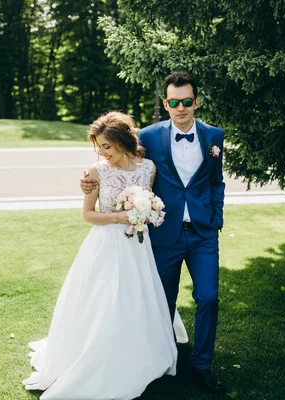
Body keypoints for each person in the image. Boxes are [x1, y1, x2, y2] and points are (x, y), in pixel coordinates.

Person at [81, 71, 226, 394]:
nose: (181, 108)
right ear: (166, 103)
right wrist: (88, 182)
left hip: (203, 233)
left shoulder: (215, 136)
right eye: (174, 102)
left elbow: (217, 181)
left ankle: (201, 366)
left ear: (196, 102)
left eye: (187, 101)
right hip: (163, 234)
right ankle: (162, 360)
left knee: (208, 298)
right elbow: (118, 158)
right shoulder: (148, 136)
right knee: (161, 301)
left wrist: (216, 216)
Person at [23, 111, 179, 400]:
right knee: (107, 301)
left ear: (122, 142)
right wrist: (122, 217)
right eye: (98, 146)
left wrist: (146, 210)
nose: (101, 152)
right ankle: (100, 355)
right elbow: (88, 215)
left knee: (137, 300)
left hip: (138, 247)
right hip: (107, 245)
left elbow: (152, 202)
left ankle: (139, 354)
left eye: (106, 146)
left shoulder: (149, 169)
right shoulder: (96, 172)